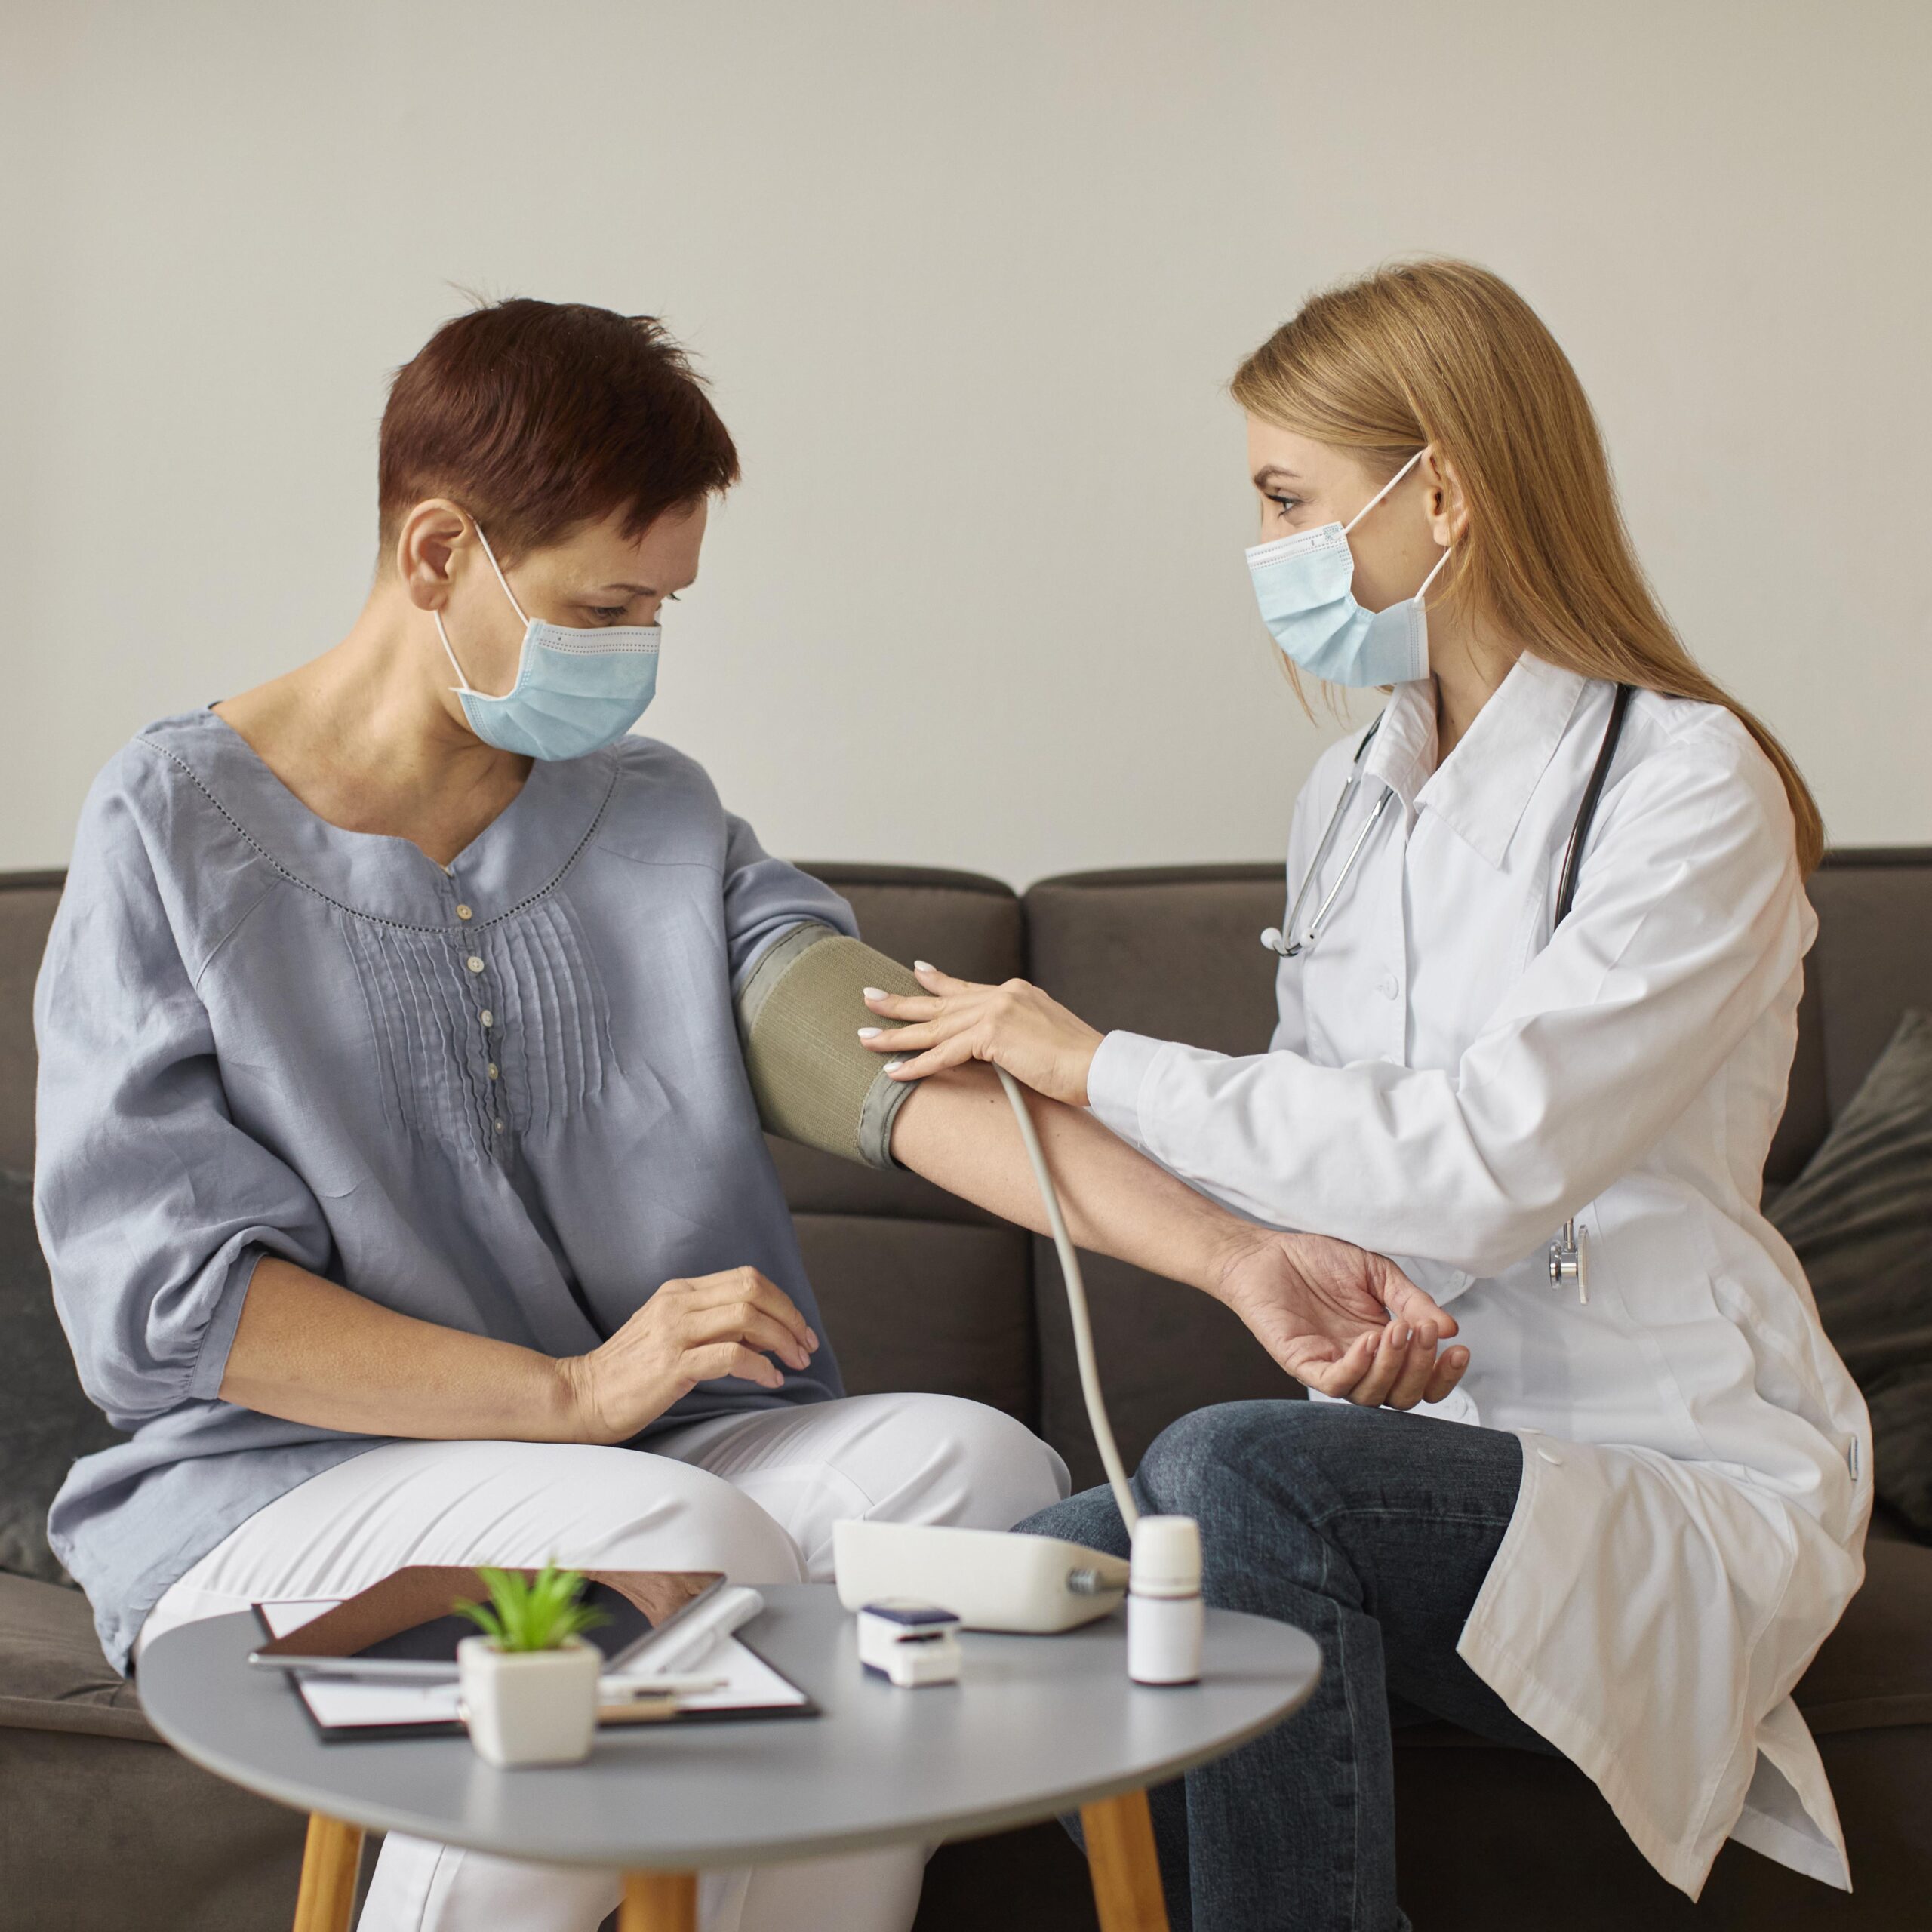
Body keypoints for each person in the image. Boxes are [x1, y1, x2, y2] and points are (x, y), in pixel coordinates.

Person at [33, 297, 1461, 1932]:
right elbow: (166, 1307)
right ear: (437, 554)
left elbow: (898, 1069)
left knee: (973, 1473)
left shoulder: (653, 819)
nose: (639, 648)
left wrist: (1234, 1254)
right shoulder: (169, 824)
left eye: (661, 604)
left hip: (636, 1455)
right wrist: (568, 1390)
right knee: (658, 1529)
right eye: (606, 601)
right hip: (283, 1489)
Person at [860, 259, 1870, 1928]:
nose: (1263, 549)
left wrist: (1089, 1055)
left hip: (1662, 1466)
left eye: (1285, 498)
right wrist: (1358, 1297)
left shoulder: (1688, 784)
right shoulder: (1349, 787)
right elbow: (1342, 1160)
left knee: (1234, 1476)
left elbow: (1482, 1159)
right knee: (1000, 1594)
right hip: (1432, 1442)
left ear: (1445, 493)